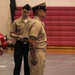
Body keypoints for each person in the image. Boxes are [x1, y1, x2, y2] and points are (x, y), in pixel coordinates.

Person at [10, 4, 32, 75]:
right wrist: (17, 36)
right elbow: (11, 33)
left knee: (27, 66)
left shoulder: (32, 22)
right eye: (24, 12)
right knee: (17, 65)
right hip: (19, 45)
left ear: (30, 12)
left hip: (28, 45)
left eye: (27, 12)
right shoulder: (16, 22)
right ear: (22, 10)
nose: (26, 14)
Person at [28, 2, 47, 75]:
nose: (45, 12)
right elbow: (31, 41)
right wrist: (33, 57)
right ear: (38, 12)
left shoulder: (39, 23)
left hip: (39, 52)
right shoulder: (37, 24)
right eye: (44, 10)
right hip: (37, 53)